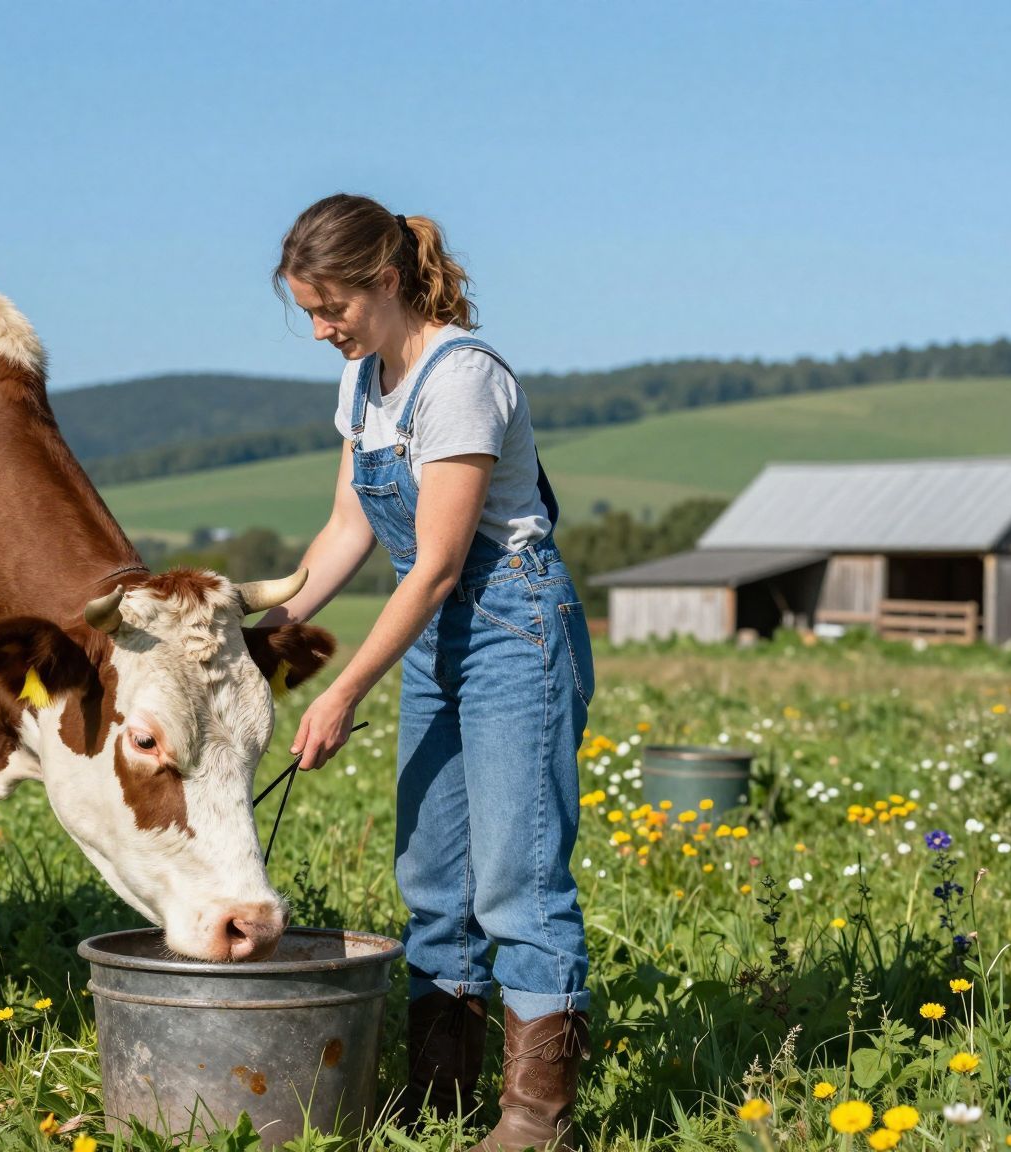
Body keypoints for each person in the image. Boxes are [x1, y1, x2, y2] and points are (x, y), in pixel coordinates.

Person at [254, 193, 594, 1151]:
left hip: (513, 629)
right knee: (433, 880)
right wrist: (268, 628)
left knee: (516, 882)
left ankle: (537, 1121)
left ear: (387, 282)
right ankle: (439, 1098)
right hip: (440, 639)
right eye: (309, 312)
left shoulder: (461, 379)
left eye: (334, 310)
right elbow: (349, 528)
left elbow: (440, 564)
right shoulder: (364, 385)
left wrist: (343, 686)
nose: (323, 330)